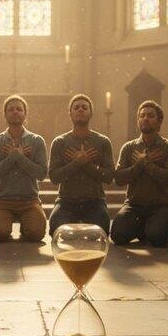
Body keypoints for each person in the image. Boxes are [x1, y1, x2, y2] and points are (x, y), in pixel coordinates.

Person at [110, 100, 168, 247]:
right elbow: (119, 179)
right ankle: (145, 228)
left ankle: (149, 228)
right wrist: (140, 164)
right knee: (117, 235)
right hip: (134, 206)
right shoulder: (129, 147)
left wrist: (146, 163)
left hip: (161, 206)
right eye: (142, 116)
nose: (145, 118)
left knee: (158, 238)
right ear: (138, 120)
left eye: (150, 115)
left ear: (159, 121)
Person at [0, 95, 48, 242]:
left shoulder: (37, 141)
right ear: (5, 114)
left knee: (36, 234)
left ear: (25, 114)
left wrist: (19, 157)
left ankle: (27, 225)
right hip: (2, 200)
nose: (15, 112)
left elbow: (42, 173)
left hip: (29, 200)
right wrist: (13, 157)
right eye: (11, 109)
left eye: (19, 109)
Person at [48, 94, 114, 236]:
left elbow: (109, 176)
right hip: (66, 201)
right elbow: (54, 177)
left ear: (91, 113)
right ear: (70, 113)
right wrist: (76, 163)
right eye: (76, 107)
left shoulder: (103, 141)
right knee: (56, 228)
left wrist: (88, 164)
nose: (80, 110)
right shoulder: (60, 142)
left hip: (95, 201)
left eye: (84, 107)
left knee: (101, 231)